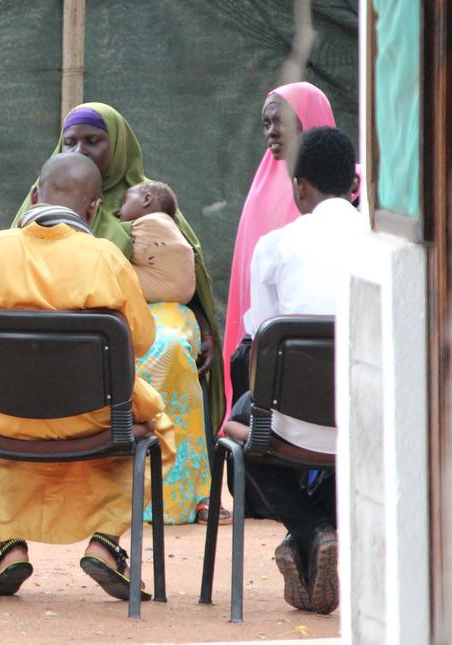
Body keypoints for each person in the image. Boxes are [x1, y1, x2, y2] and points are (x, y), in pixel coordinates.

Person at [0, 152, 175, 598]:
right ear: (92, 209)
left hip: (4, 421)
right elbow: (141, 340)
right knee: (155, 429)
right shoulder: (106, 257)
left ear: (34, 195)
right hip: (89, 421)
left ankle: (9, 549)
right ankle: (106, 543)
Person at [14, 103, 223, 526]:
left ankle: (179, 491)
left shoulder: (148, 199)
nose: (81, 150)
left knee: (167, 349)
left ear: (120, 146)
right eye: (71, 141)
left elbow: (187, 273)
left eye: (94, 141)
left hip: (150, 312)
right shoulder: (43, 199)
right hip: (75, 315)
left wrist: (204, 326)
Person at [224, 126, 363, 615]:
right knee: (350, 449)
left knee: (243, 428)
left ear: (300, 187)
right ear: (354, 185)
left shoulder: (276, 245)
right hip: (372, 423)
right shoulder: (384, 245)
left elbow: (260, 336)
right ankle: (319, 528)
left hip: (295, 423)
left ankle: (307, 531)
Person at [223, 82, 342, 410]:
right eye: (266, 124)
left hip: (301, 362)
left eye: (282, 122)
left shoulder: (349, 191)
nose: (272, 133)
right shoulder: (261, 188)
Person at [118, 180, 196, 304]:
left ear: (146, 199)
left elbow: (113, 241)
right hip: (179, 300)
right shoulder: (171, 230)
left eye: (123, 202)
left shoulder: (154, 224)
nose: (118, 211)